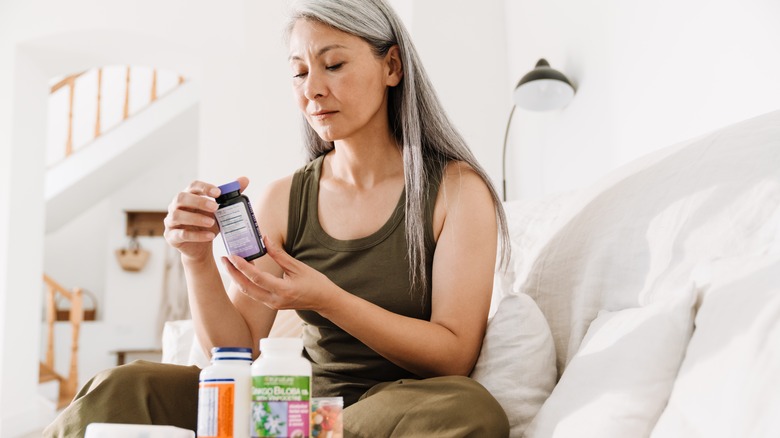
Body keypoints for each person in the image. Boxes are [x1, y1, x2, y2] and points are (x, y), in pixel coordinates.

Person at [45, 0, 511, 436]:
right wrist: (196, 258)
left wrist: (328, 299)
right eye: (299, 72)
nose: (312, 89)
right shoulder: (285, 198)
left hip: (391, 411)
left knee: (469, 408)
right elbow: (236, 355)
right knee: (121, 387)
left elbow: (453, 355)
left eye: (333, 65)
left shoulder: (457, 191)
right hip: (283, 408)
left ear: (391, 66)